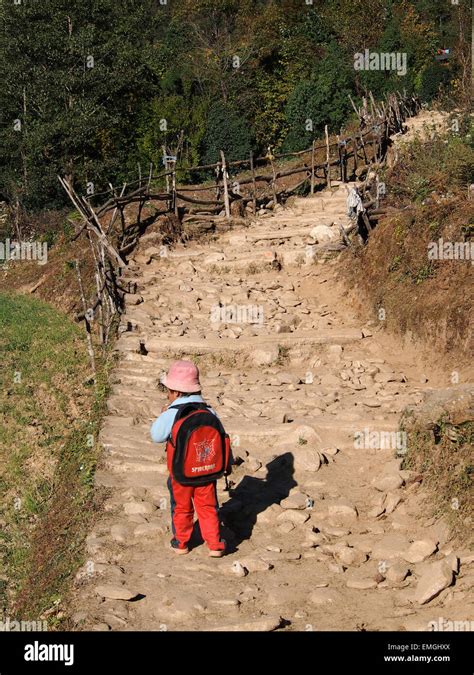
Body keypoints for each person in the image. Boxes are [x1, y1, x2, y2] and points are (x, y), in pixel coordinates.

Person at [150, 360, 226, 557]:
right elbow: (221, 438)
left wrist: (163, 416)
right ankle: (215, 545)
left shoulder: (173, 413)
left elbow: (156, 436)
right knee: (209, 507)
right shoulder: (209, 412)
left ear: (176, 392)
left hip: (180, 473)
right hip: (207, 471)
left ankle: (181, 543)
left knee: (181, 508)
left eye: (168, 390)